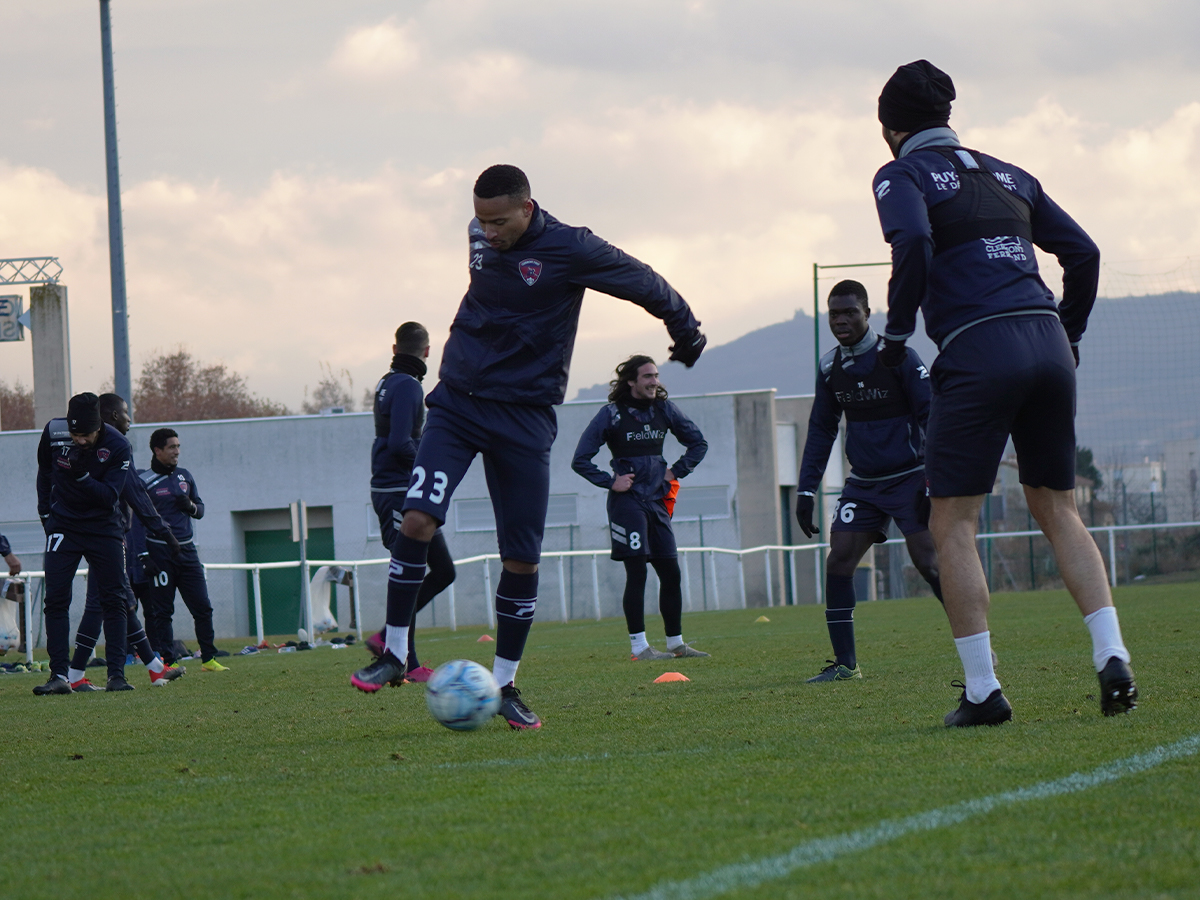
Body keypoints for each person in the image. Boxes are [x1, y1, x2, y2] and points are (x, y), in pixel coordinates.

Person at [350, 164, 706, 728]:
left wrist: (684, 329)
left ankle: (507, 684)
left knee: (521, 558)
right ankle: (395, 651)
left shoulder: (572, 248)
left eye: (498, 221)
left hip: (524, 419)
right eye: (480, 220)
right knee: (417, 520)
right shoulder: (478, 232)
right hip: (458, 405)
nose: (486, 232)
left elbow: (641, 278)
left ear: (528, 208)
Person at [872, 60, 1136, 725]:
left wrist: (898, 332)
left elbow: (911, 238)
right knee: (1059, 508)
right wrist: (1068, 331)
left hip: (978, 348)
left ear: (889, 128)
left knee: (952, 521)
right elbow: (1085, 253)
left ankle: (984, 692)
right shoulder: (1012, 174)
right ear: (949, 116)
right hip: (1048, 344)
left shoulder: (900, 173)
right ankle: (1112, 653)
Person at [795, 280, 940, 682]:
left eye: (849, 313)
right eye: (834, 314)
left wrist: (933, 477)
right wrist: (805, 490)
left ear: (867, 314)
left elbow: (932, 417)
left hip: (910, 477)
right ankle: (846, 666)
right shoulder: (830, 367)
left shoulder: (900, 358)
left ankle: (979, 644)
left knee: (930, 563)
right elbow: (822, 430)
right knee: (839, 558)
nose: (840, 320)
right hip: (864, 483)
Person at [572, 355, 709, 660]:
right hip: (628, 504)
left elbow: (698, 442)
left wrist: (676, 471)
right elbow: (580, 459)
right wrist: (611, 481)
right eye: (647, 376)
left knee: (671, 573)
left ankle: (676, 643)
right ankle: (640, 648)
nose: (654, 382)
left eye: (656, 376)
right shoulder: (611, 415)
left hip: (657, 501)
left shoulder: (664, 409)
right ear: (631, 381)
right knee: (638, 574)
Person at [359, 321, 456, 684]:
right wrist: (429, 470)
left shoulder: (388, 382)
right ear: (427, 351)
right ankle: (404, 657)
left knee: (441, 571)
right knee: (414, 573)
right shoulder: (409, 387)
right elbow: (401, 443)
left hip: (395, 490)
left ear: (395, 348)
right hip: (398, 491)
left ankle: (396, 646)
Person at [66, 394, 184, 691]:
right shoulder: (115, 446)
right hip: (105, 536)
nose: (129, 419)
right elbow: (135, 493)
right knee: (104, 602)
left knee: (122, 601)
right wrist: (165, 532)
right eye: (124, 413)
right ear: (109, 415)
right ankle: (80, 674)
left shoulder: (103, 445)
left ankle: (154, 667)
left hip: (103, 534)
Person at [34, 392, 132, 693]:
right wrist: (47, 515)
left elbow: (109, 496)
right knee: (56, 599)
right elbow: (44, 472)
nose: (80, 441)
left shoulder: (118, 446)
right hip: (64, 525)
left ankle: (117, 675)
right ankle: (59, 677)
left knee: (114, 598)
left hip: (104, 527)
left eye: (86, 435)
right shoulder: (52, 432)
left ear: (99, 426)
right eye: (75, 435)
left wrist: (81, 477)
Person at [135, 428, 228, 672]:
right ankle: (169, 661)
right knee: (163, 612)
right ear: (157, 450)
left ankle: (208, 659)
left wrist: (189, 506)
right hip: (160, 552)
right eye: (172, 447)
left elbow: (201, 509)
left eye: (178, 446)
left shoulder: (185, 476)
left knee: (203, 606)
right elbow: (135, 523)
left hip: (187, 551)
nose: (177, 451)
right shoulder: (143, 481)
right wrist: (144, 556)